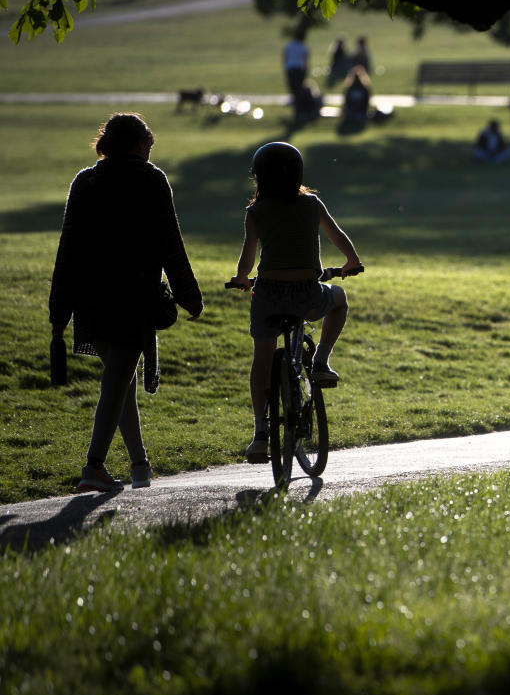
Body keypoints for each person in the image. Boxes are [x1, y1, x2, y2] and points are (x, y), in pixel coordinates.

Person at [48, 113, 203, 492]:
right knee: (117, 378)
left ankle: (139, 465)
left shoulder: (86, 181)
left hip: (90, 297)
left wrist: (59, 311)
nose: (151, 149)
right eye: (148, 142)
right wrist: (188, 295)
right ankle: (94, 466)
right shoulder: (151, 179)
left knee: (121, 378)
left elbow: (67, 248)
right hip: (133, 298)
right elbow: (171, 242)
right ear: (137, 143)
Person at [229, 142, 363, 464]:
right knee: (339, 300)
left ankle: (261, 433)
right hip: (306, 294)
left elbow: (248, 257)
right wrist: (352, 260)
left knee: (262, 359)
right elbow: (336, 234)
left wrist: (242, 278)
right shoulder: (312, 205)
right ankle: (320, 361)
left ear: (258, 177)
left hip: (268, 295)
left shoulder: (256, 212)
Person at [282, 30, 310, 102]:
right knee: (299, 87)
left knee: (292, 87)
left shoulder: (289, 45)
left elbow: (285, 57)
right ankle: (298, 102)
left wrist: (285, 67)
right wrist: (306, 70)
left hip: (290, 68)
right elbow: (305, 60)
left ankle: (295, 101)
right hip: (299, 69)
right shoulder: (303, 47)